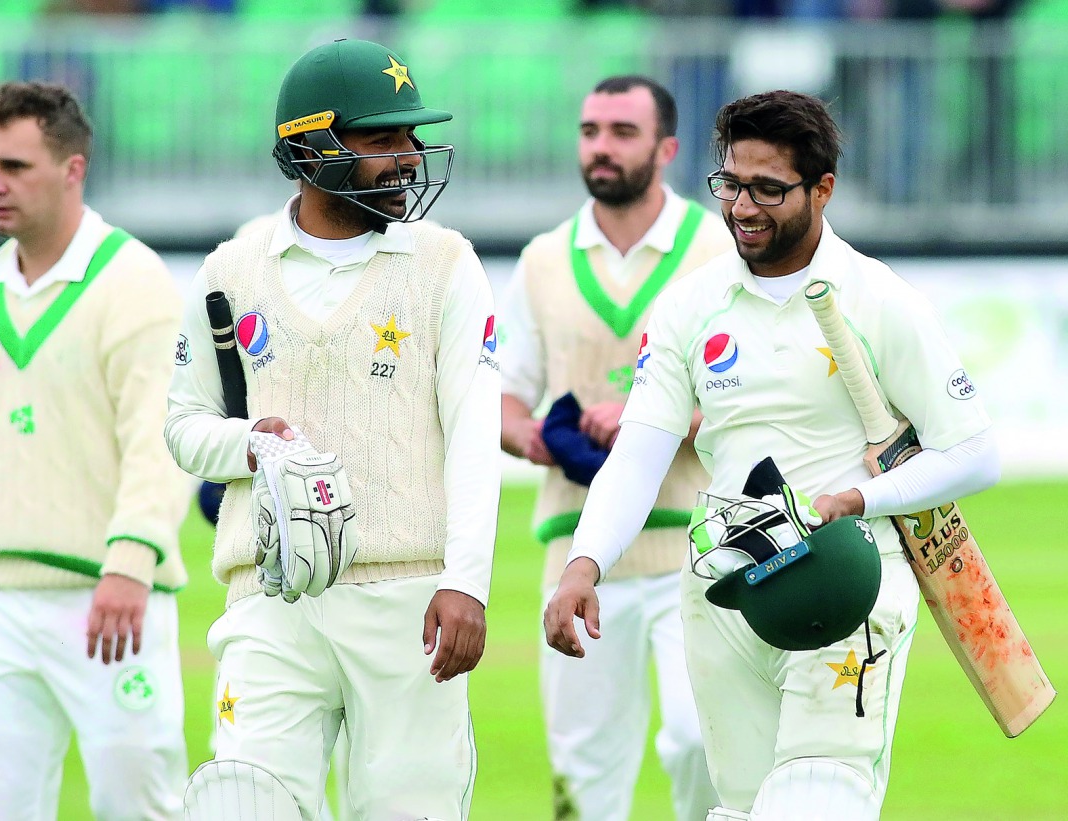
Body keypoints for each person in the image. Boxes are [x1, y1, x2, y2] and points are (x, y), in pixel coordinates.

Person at [543, 90, 1000, 820]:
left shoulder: (877, 299)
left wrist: (859, 498)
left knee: (816, 802)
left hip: (851, 587)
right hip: (728, 589)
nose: (743, 207)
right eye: (730, 183)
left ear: (823, 188)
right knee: (742, 807)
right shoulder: (690, 305)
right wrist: (584, 562)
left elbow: (975, 452)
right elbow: (640, 453)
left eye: (769, 189)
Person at [164, 38, 500, 821]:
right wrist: (251, 443)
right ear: (312, 144)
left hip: (409, 598)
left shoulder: (446, 264)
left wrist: (465, 581)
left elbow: (474, 434)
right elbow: (184, 425)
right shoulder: (230, 271)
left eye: (412, 137)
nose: (409, 157)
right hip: (270, 595)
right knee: (245, 804)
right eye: (384, 138)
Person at [0, 81, 190, 821]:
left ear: (73, 169)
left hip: (107, 598)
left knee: (137, 804)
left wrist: (129, 561)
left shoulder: (133, 280)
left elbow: (157, 441)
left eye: (14, 166)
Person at [499, 75, 729, 821]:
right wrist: (533, 435)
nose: (602, 146)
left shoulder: (717, 249)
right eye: (591, 128)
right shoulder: (541, 259)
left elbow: (753, 389)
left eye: (622, 132)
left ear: (666, 148)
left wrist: (650, 415)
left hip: (702, 543)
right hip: (577, 552)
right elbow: (502, 392)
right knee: (584, 770)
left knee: (703, 742)